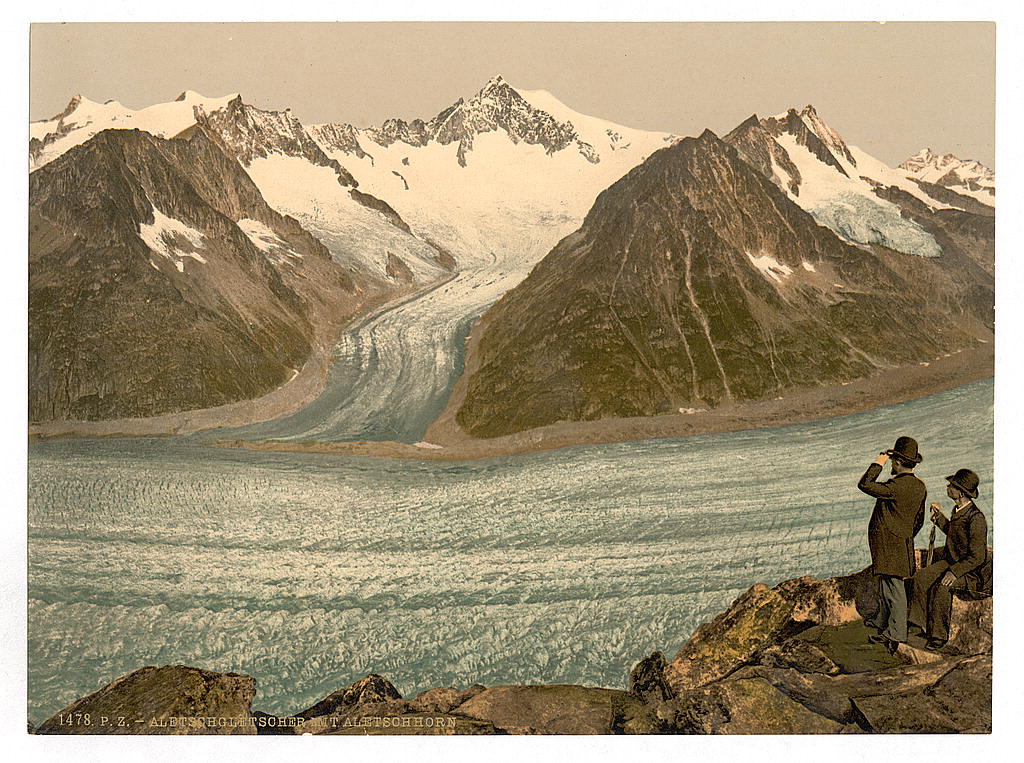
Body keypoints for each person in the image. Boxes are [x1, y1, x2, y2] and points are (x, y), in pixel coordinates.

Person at [857, 436, 927, 653]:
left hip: (889, 544)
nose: (891, 465)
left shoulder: (895, 486)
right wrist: (905, 535)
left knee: (893, 590)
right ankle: (883, 623)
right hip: (901, 542)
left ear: (896, 462)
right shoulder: (919, 486)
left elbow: (864, 484)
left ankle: (896, 634)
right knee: (889, 586)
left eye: (892, 461)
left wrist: (878, 462)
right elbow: (919, 520)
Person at [908, 469, 991, 650]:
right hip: (953, 562)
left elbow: (978, 557)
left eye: (951, 485)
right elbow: (954, 536)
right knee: (921, 578)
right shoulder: (958, 510)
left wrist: (954, 572)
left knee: (942, 587)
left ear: (960, 492)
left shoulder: (976, 519)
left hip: (971, 573)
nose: (948, 487)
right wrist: (938, 517)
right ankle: (916, 626)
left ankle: (938, 637)